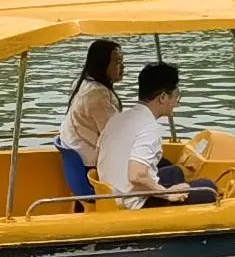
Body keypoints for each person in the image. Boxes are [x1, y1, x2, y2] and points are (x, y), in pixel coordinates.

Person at [94, 61, 220, 208]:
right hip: (134, 203)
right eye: (176, 96)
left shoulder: (118, 118)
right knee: (207, 188)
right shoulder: (148, 127)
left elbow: (99, 154)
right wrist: (166, 193)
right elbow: (136, 176)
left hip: (111, 195)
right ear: (162, 97)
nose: (176, 103)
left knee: (175, 172)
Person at [56, 40, 124, 202]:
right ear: (102, 64)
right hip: (92, 168)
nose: (122, 67)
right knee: (167, 168)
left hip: (81, 158)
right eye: (117, 62)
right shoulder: (98, 96)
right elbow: (117, 138)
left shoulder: (82, 83)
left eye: (122, 62)